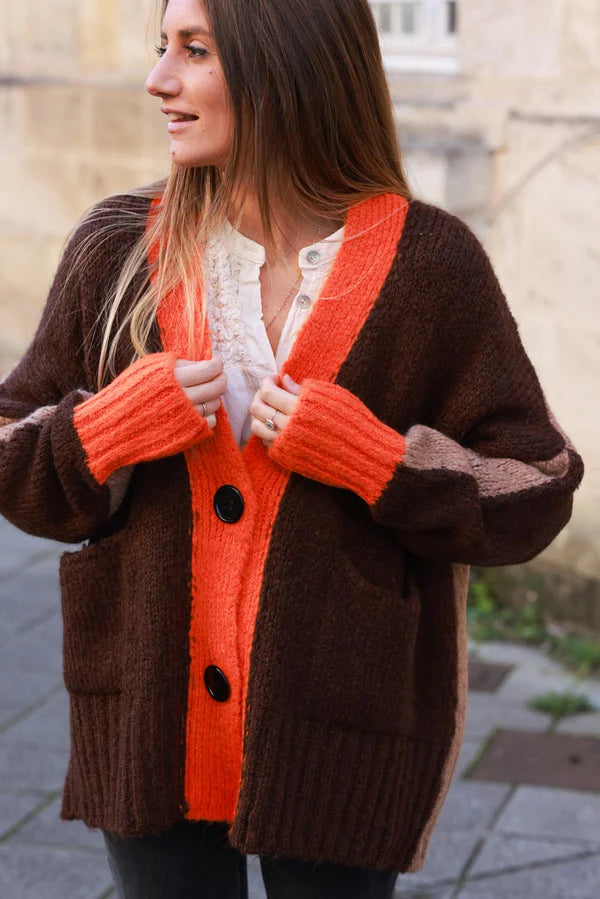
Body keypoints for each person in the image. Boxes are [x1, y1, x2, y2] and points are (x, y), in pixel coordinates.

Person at [0, 0, 585, 897]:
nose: (159, 79)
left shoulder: (430, 264)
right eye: (163, 48)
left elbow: (535, 485)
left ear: (288, 65)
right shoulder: (119, 247)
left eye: (195, 51)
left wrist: (378, 460)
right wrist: (105, 431)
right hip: (148, 719)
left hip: (340, 724)